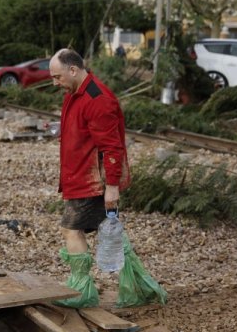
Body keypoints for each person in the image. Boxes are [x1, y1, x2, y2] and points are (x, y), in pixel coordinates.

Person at [49, 48, 166, 308]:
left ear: (73, 69)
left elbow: (112, 147)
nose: (55, 83)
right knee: (112, 232)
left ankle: (80, 292)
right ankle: (139, 287)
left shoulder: (97, 99)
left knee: (71, 229)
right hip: (81, 175)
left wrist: (112, 187)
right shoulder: (75, 93)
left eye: (57, 77)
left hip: (92, 180)